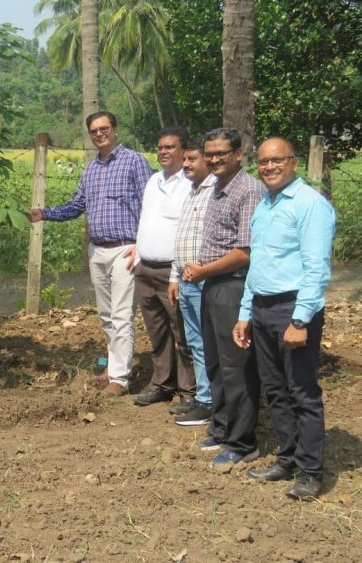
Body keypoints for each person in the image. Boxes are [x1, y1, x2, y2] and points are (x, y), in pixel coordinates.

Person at [233, 137, 335, 500]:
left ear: (294, 163)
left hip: (293, 308)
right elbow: (257, 265)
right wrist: (246, 313)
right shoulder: (265, 204)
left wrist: (301, 320)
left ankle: (310, 471)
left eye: (277, 161)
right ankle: (288, 457)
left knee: (302, 391)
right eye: (263, 162)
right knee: (275, 390)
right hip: (262, 307)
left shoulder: (310, 205)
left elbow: (317, 269)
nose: (270, 167)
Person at [29, 111, 152, 396]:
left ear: (115, 129)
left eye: (104, 128)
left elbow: (151, 206)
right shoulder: (92, 169)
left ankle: (120, 379)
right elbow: (76, 206)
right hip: (98, 251)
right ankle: (111, 366)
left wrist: (141, 244)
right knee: (107, 315)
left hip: (125, 249)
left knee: (122, 316)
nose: (99, 134)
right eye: (94, 131)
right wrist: (43, 213)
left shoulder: (134, 162)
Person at [182, 128, 263, 465]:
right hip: (212, 285)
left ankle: (243, 443)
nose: (214, 159)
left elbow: (244, 252)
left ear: (239, 154)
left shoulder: (248, 191)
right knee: (215, 361)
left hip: (233, 285)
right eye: (210, 153)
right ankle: (222, 427)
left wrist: (203, 270)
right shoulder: (216, 188)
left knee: (237, 367)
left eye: (221, 153)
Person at [131, 127, 196, 413]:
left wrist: (179, 271)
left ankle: (189, 390)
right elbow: (148, 220)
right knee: (156, 331)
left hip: (172, 271)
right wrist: (137, 248)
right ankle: (162, 384)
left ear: (182, 151)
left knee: (181, 332)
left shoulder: (190, 183)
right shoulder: (153, 181)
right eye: (160, 147)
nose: (164, 151)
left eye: (170, 147)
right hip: (145, 268)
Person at [168, 137, 218, 426]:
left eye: (191, 160)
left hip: (204, 280)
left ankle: (210, 401)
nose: (185, 164)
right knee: (195, 342)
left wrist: (202, 270)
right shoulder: (192, 192)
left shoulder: (214, 192)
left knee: (206, 343)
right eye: (184, 159)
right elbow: (183, 238)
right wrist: (175, 276)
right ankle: (203, 398)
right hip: (186, 280)